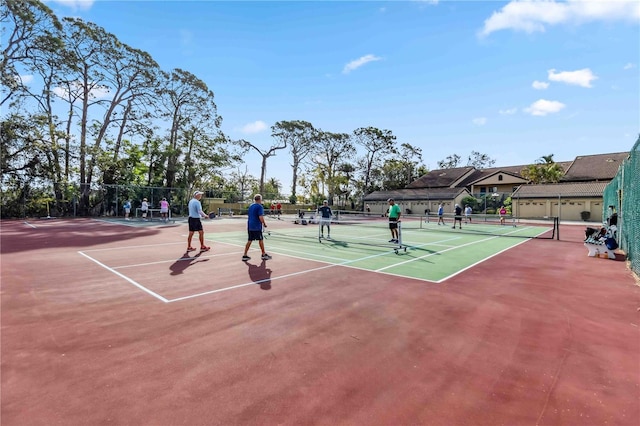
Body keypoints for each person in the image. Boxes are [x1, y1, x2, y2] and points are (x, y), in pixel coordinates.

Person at [243, 194, 272, 261]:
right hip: (256, 226)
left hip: (250, 226)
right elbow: (260, 217)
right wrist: (264, 223)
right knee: (260, 239)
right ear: (260, 199)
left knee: (250, 240)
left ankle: (245, 255)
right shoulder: (259, 207)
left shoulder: (251, 206)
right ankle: (263, 254)